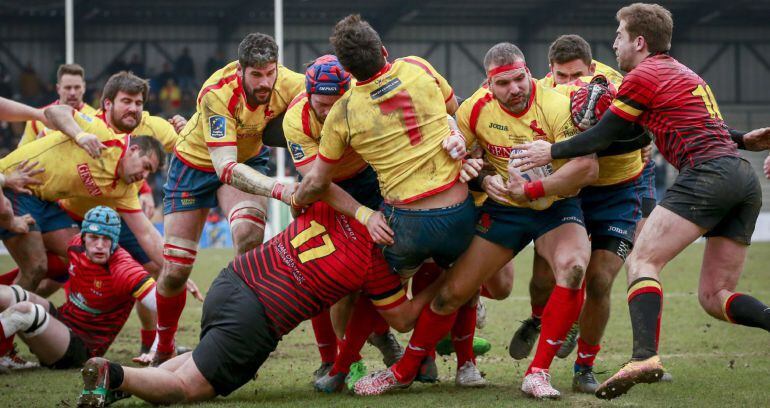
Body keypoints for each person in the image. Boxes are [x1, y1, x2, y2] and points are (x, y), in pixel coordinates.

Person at [511, 3, 770, 400]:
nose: (613, 43)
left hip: (707, 175)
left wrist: (551, 151)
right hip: (741, 177)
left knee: (643, 261)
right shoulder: (682, 72)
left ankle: (644, 357)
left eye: (618, 34)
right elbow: (698, 125)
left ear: (638, 41)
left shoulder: (641, 76)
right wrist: (743, 140)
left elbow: (604, 136)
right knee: (714, 296)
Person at [354, 42, 597, 399]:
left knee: (574, 267)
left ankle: (538, 373)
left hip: (556, 208)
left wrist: (533, 190)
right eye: (503, 84)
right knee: (451, 293)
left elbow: (587, 167)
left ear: (529, 72)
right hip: (504, 210)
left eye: (519, 79)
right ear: (488, 84)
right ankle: (404, 370)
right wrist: (483, 179)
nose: (514, 89)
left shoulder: (558, 105)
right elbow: (461, 159)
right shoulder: (473, 110)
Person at [75, 197, 446, 406]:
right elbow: (402, 318)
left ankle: (117, 388)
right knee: (188, 390)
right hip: (255, 318)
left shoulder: (331, 203)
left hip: (231, 280)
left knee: (203, 356)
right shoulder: (373, 264)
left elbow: (312, 188)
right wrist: (443, 283)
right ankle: (115, 373)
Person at [292, 14, 482, 387]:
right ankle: (444, 363)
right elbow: (453, 108)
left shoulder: (343, 112)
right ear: (383, 50)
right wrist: (458, 137)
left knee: (375, 289)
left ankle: (339, 370)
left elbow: (317, 181)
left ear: (347, 70)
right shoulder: (418, 66)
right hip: (459, 211)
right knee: (453, 285)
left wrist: (297, 197)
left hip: (406, 223)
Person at [507, 34, 653, 393]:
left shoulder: (616, 87)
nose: (573, 85)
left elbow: (644, 129)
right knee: (545, 274)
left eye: (578, 75)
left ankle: (584, 366)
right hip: (570, 190)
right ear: (549, 73)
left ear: (592, 68)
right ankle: (540, 319)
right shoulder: (539, 91)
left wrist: (642, 142)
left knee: (600, 280)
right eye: (562, 77)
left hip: (619, 191)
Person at [156, 32, 303, 365]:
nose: (265, 82)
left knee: (248, 238)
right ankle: (163, 345)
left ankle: (239, 333)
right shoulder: (217, 92)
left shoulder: (291, 83)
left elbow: (331, 97)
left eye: (270, 73)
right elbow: (224, 167)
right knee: (176, 270)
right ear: (240, 70)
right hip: (196, 165)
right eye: (257, 75)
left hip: (247, 159)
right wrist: (279, 189)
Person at [283, 54, 402, 389]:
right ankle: (344, 359)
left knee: (390, 263)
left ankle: (381, 334)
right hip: (325, 185)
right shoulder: (296, 120)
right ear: (307, 96)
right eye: (322, 104)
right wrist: (363, 214)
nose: (330, 111)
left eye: (337, 103)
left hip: (369, 177)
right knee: (331, 276)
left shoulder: (365, 102)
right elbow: (318, 183)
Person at [0, 206, 156, 372]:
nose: (99, 245)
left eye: (106, 238)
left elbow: (162, 304)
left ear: (115, 240)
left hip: (81, 348)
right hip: (61, 320)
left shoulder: (124, 269)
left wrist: (159, 347)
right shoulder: (75, 245)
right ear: (83, 237)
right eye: (94, 237)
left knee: (23, 312)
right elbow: (53, 268)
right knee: (6, 294)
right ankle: (5, 355)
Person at [21, 64, 97, 146]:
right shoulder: (37, 119)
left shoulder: (96, 117)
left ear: (84, 88)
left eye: (77, 87)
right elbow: (21, 155)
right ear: (58, 89)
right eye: (68, 88)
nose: (72, 93)